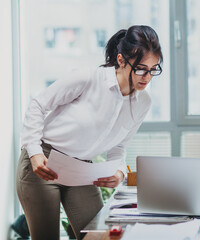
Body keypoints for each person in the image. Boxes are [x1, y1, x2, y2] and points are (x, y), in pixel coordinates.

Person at [16, 25, 163, 240]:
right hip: (44, 163)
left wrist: (119, 173)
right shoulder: (88, 79)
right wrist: (34, 152)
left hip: (82, 170)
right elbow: (38, 104)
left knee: (101, 236)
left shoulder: (143, 102)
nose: (147, 77)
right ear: (121, 60)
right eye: (141, 68)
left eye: (153, 69)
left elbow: (119, 146)